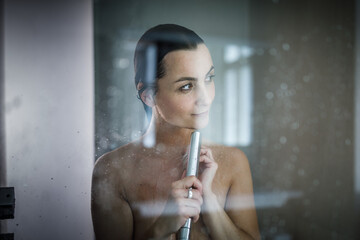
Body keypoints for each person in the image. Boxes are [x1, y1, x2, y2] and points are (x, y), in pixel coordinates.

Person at [91, 24, 260, 240]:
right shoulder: (113, 171)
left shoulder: (234, 162)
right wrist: (162, 227)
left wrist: (209, 201)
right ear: (149, 95)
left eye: (208, 79)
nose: (205, 98)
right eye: (186, 86)